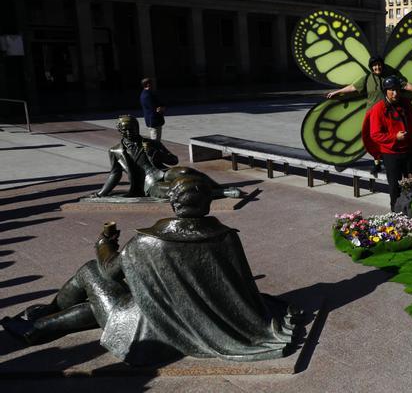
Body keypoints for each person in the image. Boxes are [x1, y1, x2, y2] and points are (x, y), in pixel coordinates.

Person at [2, 177, 295, 364]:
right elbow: (239, 285)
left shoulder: (148, 240)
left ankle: (40, 318)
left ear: (173, 203)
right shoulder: (227, 236)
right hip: (192, 316)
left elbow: (109, 272)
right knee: (103, 300)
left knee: (90, 271)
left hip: (147, 323)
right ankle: (37, 323)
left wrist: (104, 245)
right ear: (208, 204)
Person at [95, 115, 240, 199]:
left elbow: (173, 160)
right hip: (149, 184)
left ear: (137, 128)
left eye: (131, 129)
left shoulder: (150, 143)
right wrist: (101, 193)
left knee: (185, 172)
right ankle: (221, 193)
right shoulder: (115, 151)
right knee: (177, 189)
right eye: (125, 130)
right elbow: (115, 174)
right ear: (120, 131)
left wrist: (156, 153)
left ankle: (217, 186)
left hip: (163, 172)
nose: (129, 132)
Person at [327, 56, 412, 175]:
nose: (377, 67)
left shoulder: (390, 78)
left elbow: (405, 85)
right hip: (372, 113)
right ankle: (376, 163)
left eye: (379, 65)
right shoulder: (366, 79)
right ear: (371, 68)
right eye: (374, 66)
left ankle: (394, 161)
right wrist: (337, 92)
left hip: (388, 113)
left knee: (392, 136)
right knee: (372, 138)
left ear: (383, 65)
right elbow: (352, 87)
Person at [365, 75, 412, 211]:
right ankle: (396, 214)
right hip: (391, 154)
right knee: (395, 187)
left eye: (397, 90)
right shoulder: (378, 109)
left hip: (408, 151)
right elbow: (375, 134)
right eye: (392, 90)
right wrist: (394, 137)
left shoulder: (406, 103)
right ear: (386, 92)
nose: (395, 93)